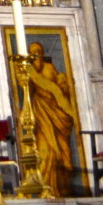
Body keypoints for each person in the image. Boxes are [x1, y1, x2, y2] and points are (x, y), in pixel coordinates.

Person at [26, 42, 78, 197]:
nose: (36, 55)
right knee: (45, 151)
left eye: (38, 51)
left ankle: (60, 189)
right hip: (40, 114)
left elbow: (60, 87)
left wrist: (62, 87)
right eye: (32, 52)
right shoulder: (28, 71)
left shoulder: (50, 68)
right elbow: (26, 92)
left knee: (60, 153)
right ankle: (43, 188)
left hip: (55, 113)